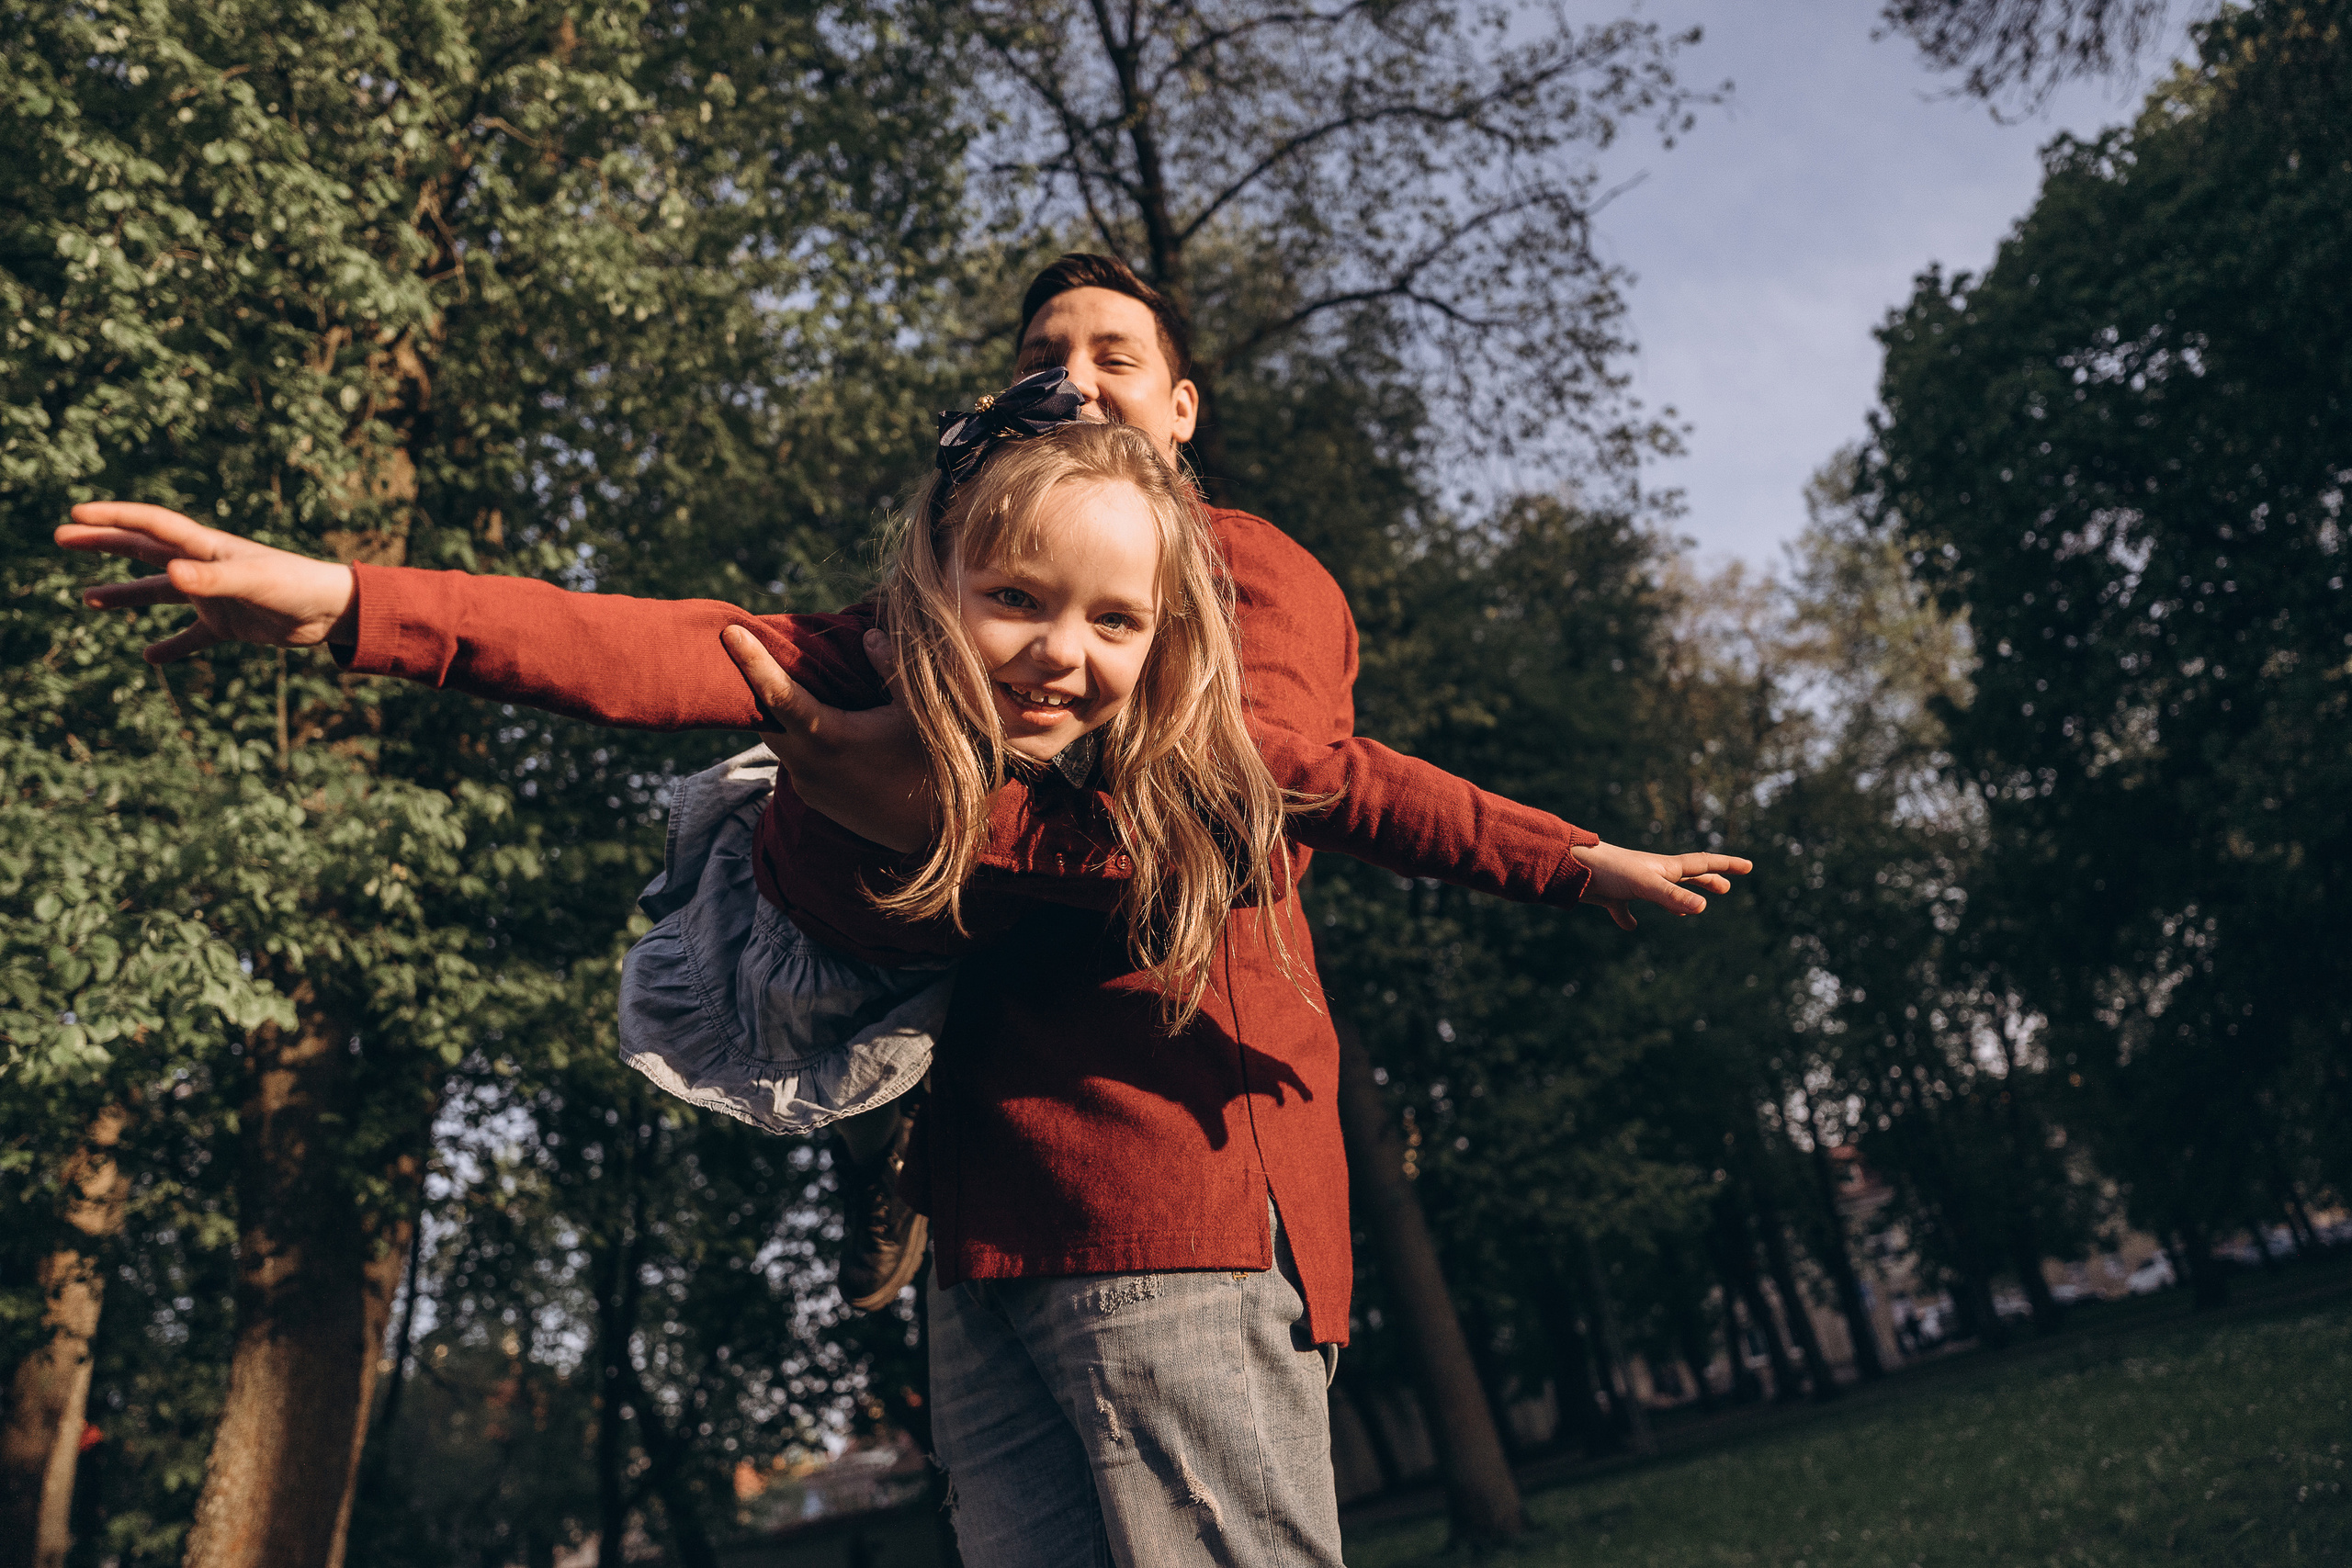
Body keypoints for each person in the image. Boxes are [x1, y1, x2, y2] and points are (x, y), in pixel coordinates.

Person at [61, 254, 1749, 1568]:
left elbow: (1288, 803)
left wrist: (1566, 855)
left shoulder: (1239, 574)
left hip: (1177, 1190)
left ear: (1181, 411)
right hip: (988, 1220)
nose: (1070, 377)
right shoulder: (951, 600)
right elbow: (658, 641)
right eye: (1041, 359)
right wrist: (348, 601)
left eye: (1113, 356)